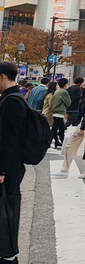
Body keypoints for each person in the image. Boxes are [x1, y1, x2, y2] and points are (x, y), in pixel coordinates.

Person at [0, 61, 27, 264]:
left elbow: (7, 139)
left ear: (2, 77)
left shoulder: (12, 101)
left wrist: (1, 169)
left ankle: (9, 256)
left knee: (6, 211)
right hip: (11, 165)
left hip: (8, 167)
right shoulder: (14, 97)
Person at [52, 74, 85, 179]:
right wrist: (78, 124)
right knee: (69, 144)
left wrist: (81, 127)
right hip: (83, 123)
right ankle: (65, 169)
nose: (83, 83)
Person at [50, 78, 71, 149]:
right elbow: (68, 103)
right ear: (65, 84)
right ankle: (49, 142)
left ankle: (60, 141)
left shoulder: (57, 91)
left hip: (55, 110)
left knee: (61, 128)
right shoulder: (64, 92)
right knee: (55, 128)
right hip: (60, 111)